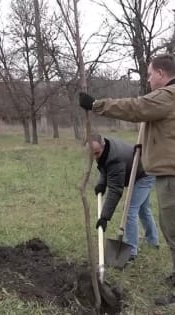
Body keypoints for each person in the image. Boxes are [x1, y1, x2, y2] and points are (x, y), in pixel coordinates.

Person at [79, 53, 175, 305]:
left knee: (173, 229)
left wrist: (97, 105)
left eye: (150, 74)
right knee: (167, 226)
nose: (149, 79)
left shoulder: (168, 95)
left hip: (170, 174)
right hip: (164, 173)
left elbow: (135, 107)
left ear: (162, 74)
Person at [90, 133, 159, 260]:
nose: (95, 157)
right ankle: (153, 241)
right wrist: (101, 183)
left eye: (97, 153)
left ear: (103, 146)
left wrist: (104, 217)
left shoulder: (115, 158)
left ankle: (131, 251)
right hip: (141, 169)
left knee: (130, 209)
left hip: (145, 174)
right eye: (92, 154)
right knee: (144, 209)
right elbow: (105, 167)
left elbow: (115, 190)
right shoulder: (106, 149)